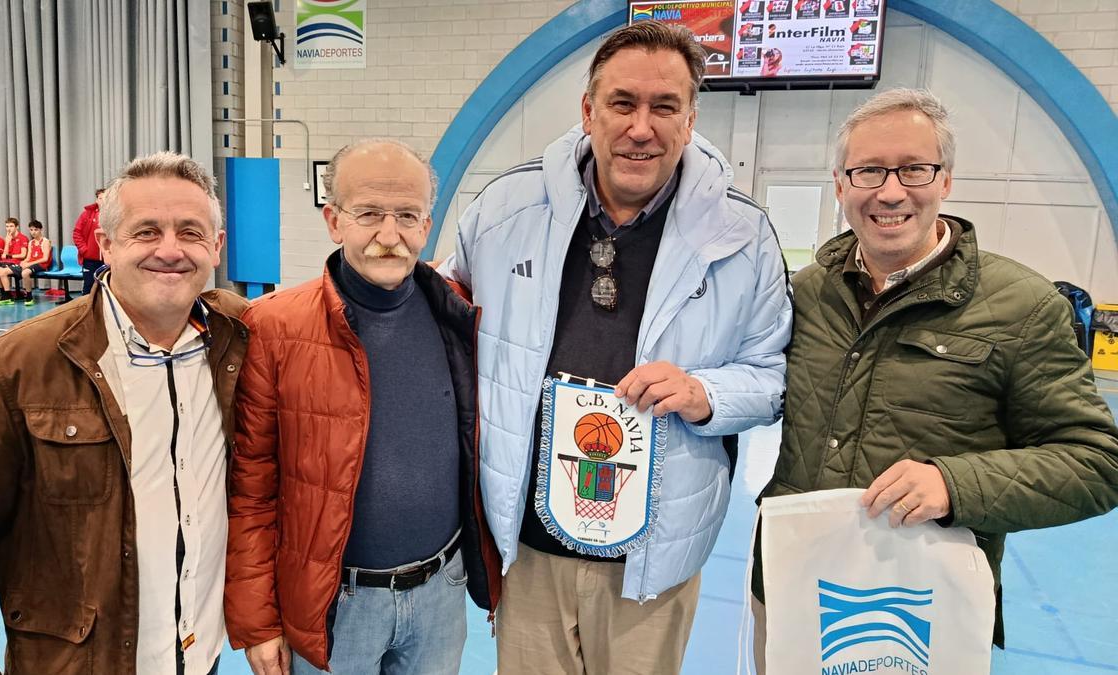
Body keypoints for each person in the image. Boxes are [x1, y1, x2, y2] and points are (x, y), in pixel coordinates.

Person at [441, 22, 791, 675]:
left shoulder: (744, 237)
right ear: (589, 111)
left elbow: (771, 378)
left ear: (690, 120)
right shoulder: (503, 210)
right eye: (623, 103)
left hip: (653, 557)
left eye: (665, 107)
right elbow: (444, 310)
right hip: (529, 544)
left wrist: (706, 392)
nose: (641, 127)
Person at [752, 88, 1118, 670]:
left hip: (918, 607)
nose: (890, 191)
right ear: (841, 184)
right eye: (868, 170)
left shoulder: (1020, 306)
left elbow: (1098, 461)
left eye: (914, 169)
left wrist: (956, 484)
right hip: (792, 585)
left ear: (944, 180)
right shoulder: (806, 293)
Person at [0, 151, 249, 674]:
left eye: (190, 232)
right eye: (146, 232)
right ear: (106, 245)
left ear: (217, 247)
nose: (170, 250)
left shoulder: (240, 339)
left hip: (198, 656)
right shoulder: (16, 368)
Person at [226, 138, 501, 675]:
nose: (389, 235)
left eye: (407, 216)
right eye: (369, 214)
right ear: (334, 221)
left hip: (442, 594)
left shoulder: (459, 317)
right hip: (334, 604)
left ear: (427, 226)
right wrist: (259, 623)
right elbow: (251, 488)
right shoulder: (273, 328)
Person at [0, 220, 52, 306]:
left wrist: (29, 264)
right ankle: (6, 296)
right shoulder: (31, 242)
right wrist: (24, 262)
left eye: (36, 230)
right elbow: (28, 257)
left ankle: (29, 296)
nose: (33, 232)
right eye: (31, 230)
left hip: (41, 264)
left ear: (40, 230)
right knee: (0, 271)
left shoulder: (45, 241)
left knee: (25, 272)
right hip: (31, 264)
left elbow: (45, 259)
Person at [73, 187, 106, 294]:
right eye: (101, 198)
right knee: (88, 288)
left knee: (106, 289)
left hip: (108, 259)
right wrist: (84, 250)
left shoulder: (114, 216)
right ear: (97, 200)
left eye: (106, 198)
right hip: (90, 259)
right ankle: (87, 311)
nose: (104, 201)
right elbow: (77, 233)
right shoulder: (86, 214)